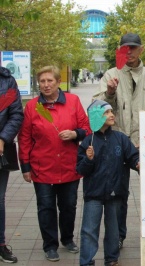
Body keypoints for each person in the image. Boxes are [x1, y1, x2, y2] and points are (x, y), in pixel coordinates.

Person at [93, 33, 145, 252]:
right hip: (116, 142)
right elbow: (96, 109)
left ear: (141, 49)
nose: (129, 52)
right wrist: (109, 92)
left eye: (133, 48)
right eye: (125, 48)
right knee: (118, 193)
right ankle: (118, 236)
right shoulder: (111, 74)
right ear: (119, 50)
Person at [18, 66, 91, 262]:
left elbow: (87, 128)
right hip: (42, 167)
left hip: (69, 165)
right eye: (42, 81)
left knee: (68, 206)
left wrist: (75, 134)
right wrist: (25, 166)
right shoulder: (33, 106)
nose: (46, 85)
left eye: (50, 81)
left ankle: (67, 239)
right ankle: (50, 245)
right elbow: (24, 137)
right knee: (46, 207)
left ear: (59, 82)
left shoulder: (73, 101)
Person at [77, 100, 140, 266]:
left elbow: (132, 156)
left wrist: (138, 163)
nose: (111, 115)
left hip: (116, 193)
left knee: (113, 230)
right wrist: (89, 160)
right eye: (106, 112)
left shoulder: (120, 138)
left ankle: (112, 259)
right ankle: (86, 261)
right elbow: (81, 169)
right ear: (96, 117)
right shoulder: (88, 142)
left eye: (112, 111)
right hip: (93, 194)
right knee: (89, 230)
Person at [0, 66, 23, 263]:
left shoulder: (7, 81)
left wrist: (3, 138)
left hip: (1, 151)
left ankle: (0, 244)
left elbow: (16, 114)